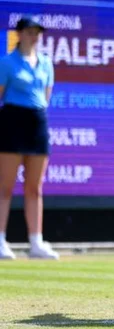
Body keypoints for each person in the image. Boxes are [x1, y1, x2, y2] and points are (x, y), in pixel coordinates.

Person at [0, 16, 60, 260]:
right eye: (30, 31)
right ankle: (1, 240)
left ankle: (36, 242)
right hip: (12, 122)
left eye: (37, 32)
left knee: (35, 188)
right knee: (5, 187)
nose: (34, 36)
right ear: (20, 34)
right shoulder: (7, 62)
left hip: (37, 123)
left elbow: (46, 96)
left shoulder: (46, 63)